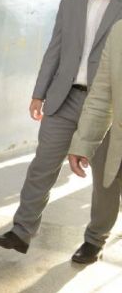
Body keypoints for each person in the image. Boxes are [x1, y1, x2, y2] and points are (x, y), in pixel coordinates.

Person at [0, 0, 122, 263]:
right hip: (65, 99)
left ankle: (95, 239)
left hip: (108, 106)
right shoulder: (71, 3)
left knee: (106, 179)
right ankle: (21, 231)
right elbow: (55, 50)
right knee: (42, 166)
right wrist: (39, 92)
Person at [68, 19, 122, 264]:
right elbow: (101, 95)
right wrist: (83, 143)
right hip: (118, 135)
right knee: (105, 187)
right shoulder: (119, 31)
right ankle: (95, 238)